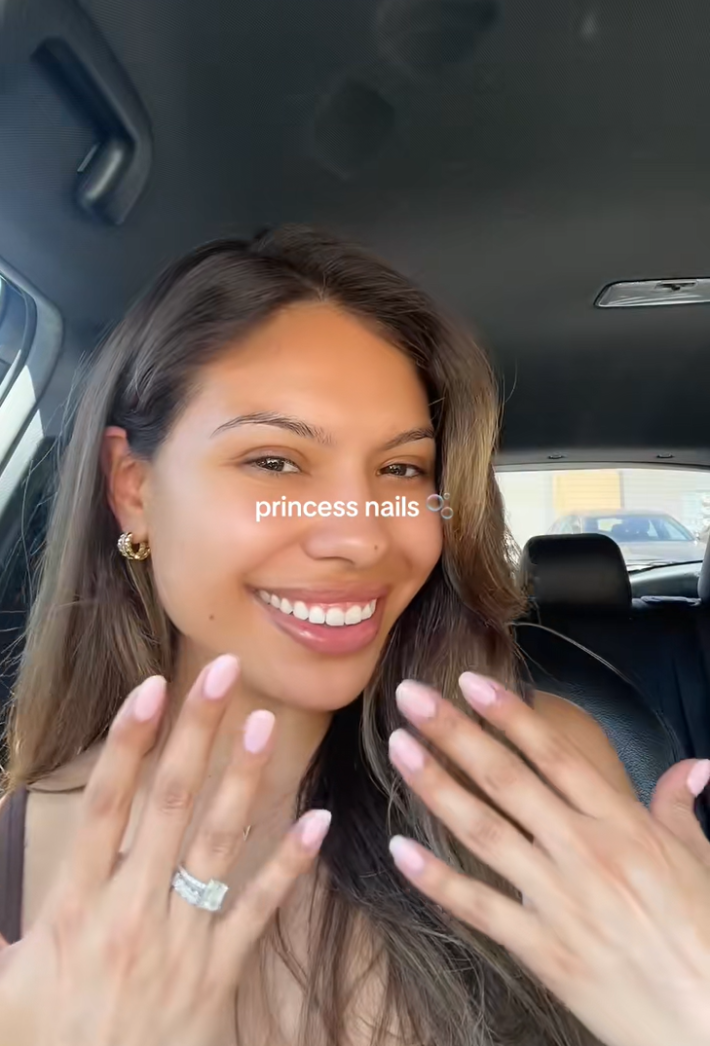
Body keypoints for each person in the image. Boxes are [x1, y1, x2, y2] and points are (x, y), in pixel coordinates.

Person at [0, 225, 707, 1046]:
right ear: (132, 488)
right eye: (275, 463)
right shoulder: (19, 848)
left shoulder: (533, 777)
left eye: (402, 470)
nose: (363, 537)